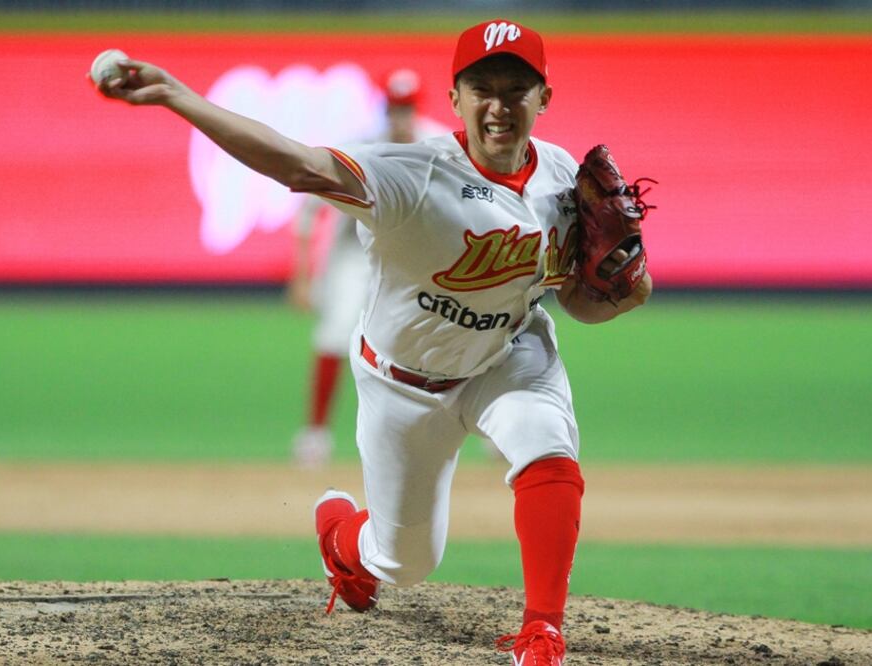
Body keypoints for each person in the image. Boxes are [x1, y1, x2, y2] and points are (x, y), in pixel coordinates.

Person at [96, 18, 651, 666]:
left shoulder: (561, 177)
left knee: (546, 446)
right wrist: (177, 96)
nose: (499, 104)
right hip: (401, 382)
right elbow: (298, 165)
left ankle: (541, 632)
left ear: (543, 98)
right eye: (482, 88)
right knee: (406, 560)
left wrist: (625, 290)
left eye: (516, 88)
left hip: (507, 354)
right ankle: (341, 539)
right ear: (455, 99)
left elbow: (582, 306)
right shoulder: (406, 175)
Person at [288, 69, 425, 470]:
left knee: (436, 340)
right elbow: (310, 208)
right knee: (333, 337)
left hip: (408, 260)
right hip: (354, 256)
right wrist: (301, 272)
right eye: (394, 107)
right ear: (384, 108)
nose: (400, 116)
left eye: (407, 108)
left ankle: (478, 433)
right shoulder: (359, 148)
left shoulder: (436, 143)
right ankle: (315, 434)